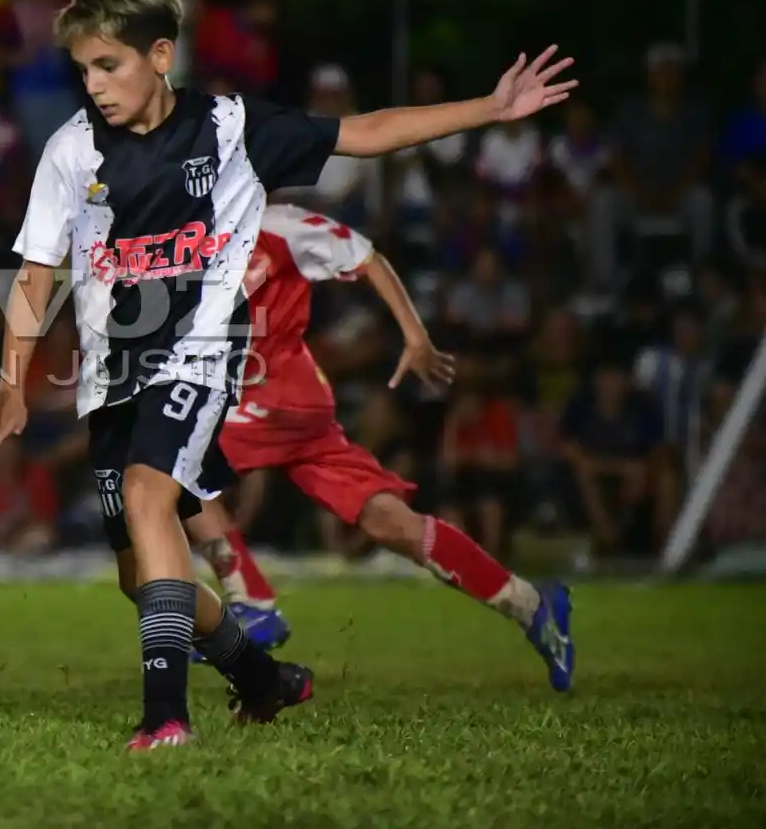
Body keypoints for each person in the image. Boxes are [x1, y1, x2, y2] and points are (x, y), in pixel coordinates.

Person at [0, 0, 576, 750]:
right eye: (83, 69)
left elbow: (366, 133)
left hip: (202, 358)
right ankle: (262, 676)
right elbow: (36, 275)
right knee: (143, 572)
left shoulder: (230, 129)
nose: (94, 84)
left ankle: (166, 719)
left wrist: (488, 109)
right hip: (113, 378)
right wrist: (12, 385)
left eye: (109, 64)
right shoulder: (71, 151)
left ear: (160, 55)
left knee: (153, 499)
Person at [220, 204, 575, 692]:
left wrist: (415, 336)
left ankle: (253, 602)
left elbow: (365, 255)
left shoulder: (276, 225)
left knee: (165, 463)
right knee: (392, 523)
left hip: (276, 395)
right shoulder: (176, 229)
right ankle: (532, 604)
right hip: (271, 404)